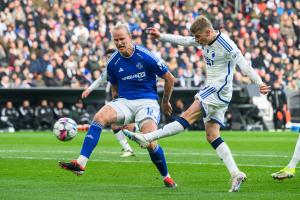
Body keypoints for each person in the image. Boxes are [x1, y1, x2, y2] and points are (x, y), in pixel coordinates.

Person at [123, 16, 270, 192]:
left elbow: (244, 65)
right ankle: (236, 173)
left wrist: (259, 82)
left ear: (208, 32)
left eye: (199, 37)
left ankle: (148, 137)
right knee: (212, 135)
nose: (197, 41)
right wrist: (162, 36)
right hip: (218, 91)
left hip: (217, 89)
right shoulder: (205, 39)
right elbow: (185, 41)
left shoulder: (227, 45)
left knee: (187, 115)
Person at [59, 23, 177, 188]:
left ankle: (166, 177)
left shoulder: (145, 55)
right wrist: (118, 113)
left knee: (150, 141)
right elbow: (115, 89)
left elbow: (170, 78)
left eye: (122, 39)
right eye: (116, 40)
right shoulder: (113, 62)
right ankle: (81, 163)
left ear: (130, 37)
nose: (120, 43)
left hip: (147, 101)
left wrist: (165, 102)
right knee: (100, 116)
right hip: (124, 101)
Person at [81, 48, 135, 158]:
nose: (110, 58)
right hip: (118, 102)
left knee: (129, 127)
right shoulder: (109, 70)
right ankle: (128, 148)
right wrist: (89, 90)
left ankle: (146, 137)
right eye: (108, 57)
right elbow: (99, 80)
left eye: (112, 56)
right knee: (115, 126)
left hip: (128, 101)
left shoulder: (124, 67)